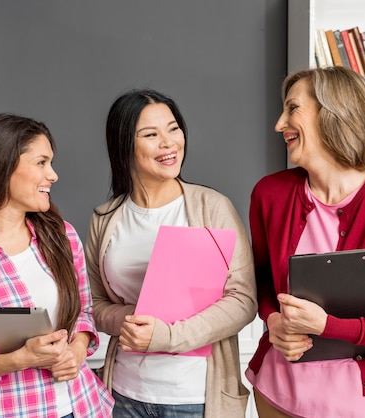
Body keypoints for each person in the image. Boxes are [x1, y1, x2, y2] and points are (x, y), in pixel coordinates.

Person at [246, 66, 365, 418]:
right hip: (275, 395)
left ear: (333, 114)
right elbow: (262, 280)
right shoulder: (269, 194)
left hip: (359, 407)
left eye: (292, 109)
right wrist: (273, 319)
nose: (279, 124)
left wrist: (328, 327)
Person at [0, 113, 114, 418]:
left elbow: (83, 315)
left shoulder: (62, 236)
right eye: (41, 163)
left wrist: (77, 351)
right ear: (4, 166)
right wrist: (18, 359)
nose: (53, 175)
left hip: (83, 407)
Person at [85, 88, 257, 418]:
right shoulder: (104, 218)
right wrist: (127, 319)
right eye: (151, 134)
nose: (169, 143)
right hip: (124, 392)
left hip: (193, 396)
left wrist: (168, 336)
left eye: (173, 128)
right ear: (125, 146)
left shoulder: (213, 207)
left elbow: (243, 300)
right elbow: (94, 305)